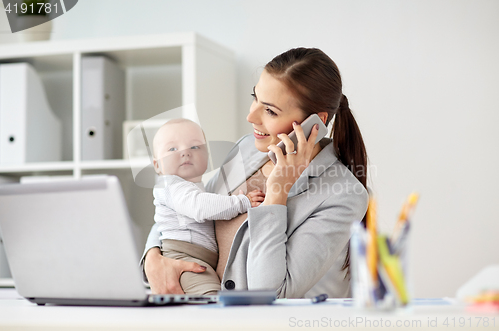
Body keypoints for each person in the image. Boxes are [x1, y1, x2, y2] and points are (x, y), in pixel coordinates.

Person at [141, 47, 369, 298]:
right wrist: (152, 257)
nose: (251, 116)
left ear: (315, 123)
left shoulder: (344, 195)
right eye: (255, 97)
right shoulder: (246, 148)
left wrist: (278, 192)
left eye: (270, 111)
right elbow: (185, 203)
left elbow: (273, 293)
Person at [151, 119, 264, 295]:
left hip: (199, 257)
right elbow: (199, 207)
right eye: (173, 149)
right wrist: (242, 202)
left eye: (195, 147)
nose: (185, 153)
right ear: (157, 165)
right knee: (210, 300)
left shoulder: (198, 187)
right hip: (184, 257)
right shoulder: (170, 185)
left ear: (207, 158)